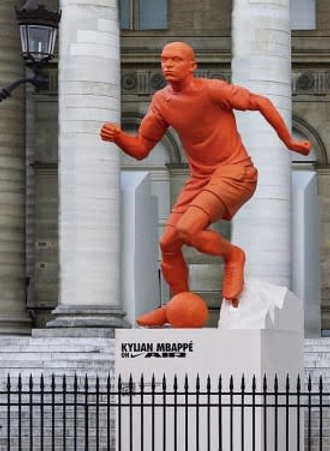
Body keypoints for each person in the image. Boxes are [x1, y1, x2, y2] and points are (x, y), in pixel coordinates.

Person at [99, 41, 312, 325]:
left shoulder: (213, 90)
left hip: (236, 172)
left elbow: (261, 102)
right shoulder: (162, 102)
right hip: (201, 179)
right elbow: (140, 149)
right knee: (168, 243)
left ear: (192, 65)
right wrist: (118, 138)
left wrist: (289, 142)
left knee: (188, 229)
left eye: (175, 59)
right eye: (164, 60)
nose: (167, 65)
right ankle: (178, 305)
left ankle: (233, 255)